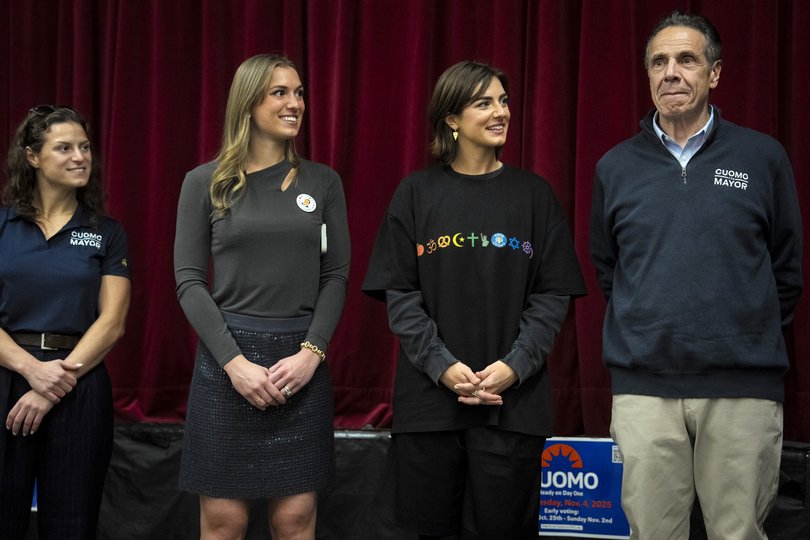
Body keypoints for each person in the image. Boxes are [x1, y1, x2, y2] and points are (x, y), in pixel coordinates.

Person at [589, 11, 803, 540]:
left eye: (687, 59)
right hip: (644, 390)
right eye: (658, 62)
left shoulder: (762, 157)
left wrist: (742, 331)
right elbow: (608, 269)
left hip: (741, 388)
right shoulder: (615, 167)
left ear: (715, 73)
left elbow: (787, 269)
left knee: (738, 533)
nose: (671, 73)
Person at [363, 61, 586, 540]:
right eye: (483, 102)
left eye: (503, 100)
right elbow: (401, 297)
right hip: (430, 410)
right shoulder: (416, 194)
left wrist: (514, 365)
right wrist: (443, 366)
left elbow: (551, 298)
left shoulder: (535, 196)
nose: (500, 112)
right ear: (451, 119)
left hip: (512, 407)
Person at [174, 54, 350, 540]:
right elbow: (189, 281)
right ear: (248, 103)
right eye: (280, 93)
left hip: (300, 362)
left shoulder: (323, 182)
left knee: (294, 520)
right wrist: (234, 363)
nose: (295, 103)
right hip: (226, 364)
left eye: (299, 93)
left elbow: (335, 275)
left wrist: (311, 354)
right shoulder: (203, 182)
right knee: (224, 522)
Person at [0, 105, 132, 539]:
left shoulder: (106, 232)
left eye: (85, 147)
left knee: (72, 525)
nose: (80, 157)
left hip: (79, 382)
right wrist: (30, 370)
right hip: (7, 377)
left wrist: (55, 382)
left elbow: (111, 323)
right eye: (64, 148)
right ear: (32, 156)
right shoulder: (3, 224)